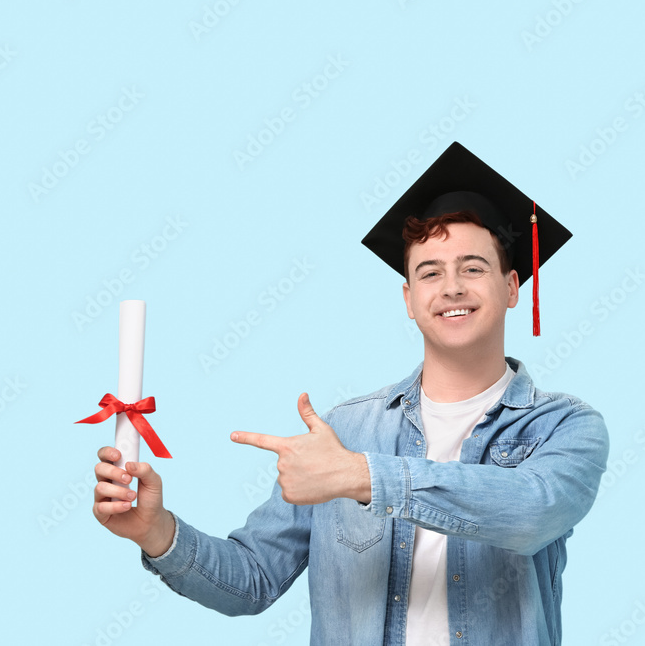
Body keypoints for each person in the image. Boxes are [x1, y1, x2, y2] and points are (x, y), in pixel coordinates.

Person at [92, 142, 609, 645]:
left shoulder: (563, 426)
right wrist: (156, 531)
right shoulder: (345, 431)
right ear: (410, 299)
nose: (451, 287)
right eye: (430, 273)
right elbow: (252, 579)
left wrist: (362, 476)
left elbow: (531, 513)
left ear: (513, 286)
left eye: (473, 268)